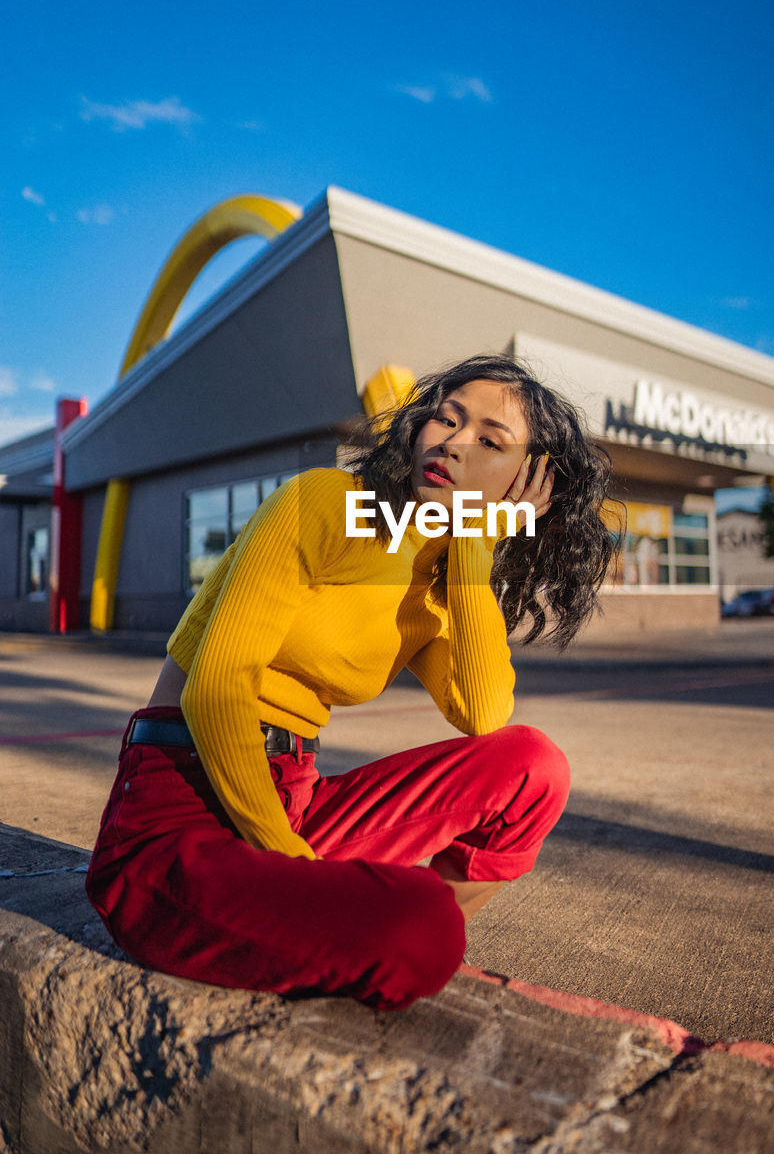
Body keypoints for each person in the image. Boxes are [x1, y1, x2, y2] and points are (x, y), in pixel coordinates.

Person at [86, 353, 616, 1011]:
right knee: (420, 927)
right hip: (181, 804)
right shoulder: (324, 503)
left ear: (525, 482)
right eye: (444, 420)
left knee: (533, 768)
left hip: (293, 801)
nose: (452, 442)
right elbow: (214, 691)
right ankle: (360, 925)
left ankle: (350, 926)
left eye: (489, 441)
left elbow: (484, 714)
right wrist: (292, 862)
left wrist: (474, 546)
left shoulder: (440, 576)